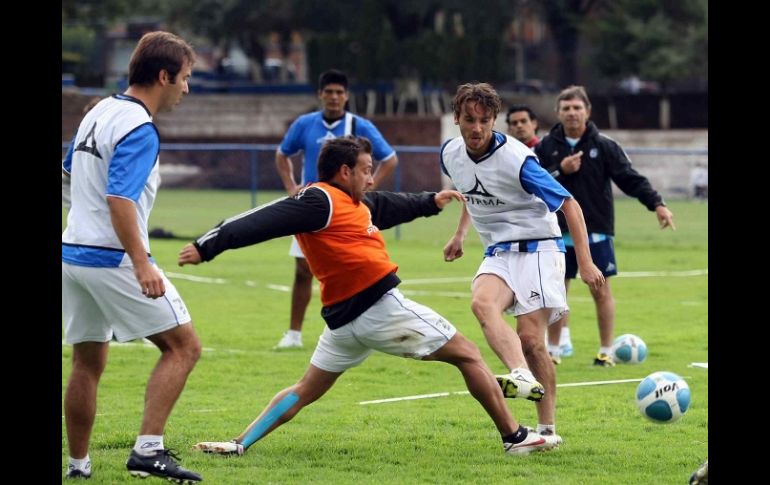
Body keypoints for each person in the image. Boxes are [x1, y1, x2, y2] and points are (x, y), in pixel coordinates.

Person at [178, 136, 558, 457]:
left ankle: (239, 443)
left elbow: (389, 207)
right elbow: (260, 220)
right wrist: (207, 245)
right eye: (366, 170)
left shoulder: (355, 204)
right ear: (345, 172)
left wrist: (430, 201)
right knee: (469, 354)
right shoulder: (319, 200)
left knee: (305, 389)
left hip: (343, 325)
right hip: (380, 309)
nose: (372, 178)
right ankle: (515, 437)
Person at [62, 31, 202, 482]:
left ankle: (78, 466)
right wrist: (142, 263)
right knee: (183, 347)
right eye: (184, 78)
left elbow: (66, 175)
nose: (186, 88)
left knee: (87, 362)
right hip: (111, 259)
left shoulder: (99, 111)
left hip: (74, 255)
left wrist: (82, 220)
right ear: (164, 76)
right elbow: (120, 199)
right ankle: (148, 451)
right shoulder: (140, 127)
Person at [441, 82, 605, 444]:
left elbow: (570, 206)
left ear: (494, 121)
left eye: (485, 120)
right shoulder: (450, 153)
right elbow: (473, 192)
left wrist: (587, 262)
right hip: (499, 251)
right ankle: (519, 373)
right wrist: (460, 234)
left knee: (532, 341)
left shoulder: (517, 159)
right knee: (481, 304)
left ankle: (547, 430)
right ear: (457, 118)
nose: (477, 129)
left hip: (539, 249)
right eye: (469, 119)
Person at [534, 85, 675, 366]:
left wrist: (657, 204)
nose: (572, 113)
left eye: (577, 108)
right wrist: (561, 169)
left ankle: (606, 351)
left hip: (596, 230)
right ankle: (553, 351)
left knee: (600, 290)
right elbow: (531, 181)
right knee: (556, 292)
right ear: (558, 113)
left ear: (587, 111)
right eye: (566, 108)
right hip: (556, 232)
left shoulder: (604, 146)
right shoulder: (545, 147)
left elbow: (630, 178)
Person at [274, 69, 398, 350]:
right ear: (320, 95)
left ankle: (365, 329)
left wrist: (368, 185)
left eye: (339, 92)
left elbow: (389, 159)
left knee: (357, 267)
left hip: (347, 210)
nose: (333, 97)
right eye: (328, 92)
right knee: (303, 269)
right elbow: (282, 154)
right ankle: (294, 334)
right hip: (312, 206)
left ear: (347, 96)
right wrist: (291, 186)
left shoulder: (359, 125)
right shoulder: (305, 124)